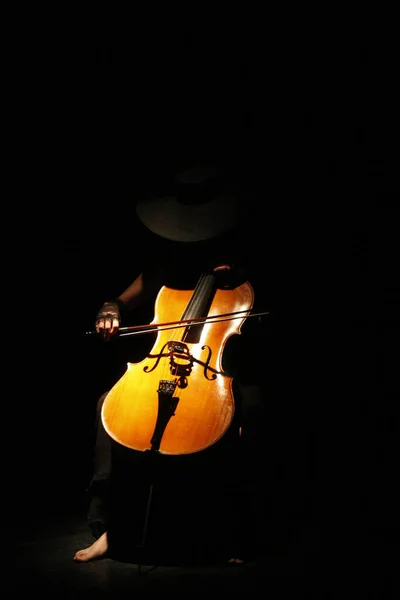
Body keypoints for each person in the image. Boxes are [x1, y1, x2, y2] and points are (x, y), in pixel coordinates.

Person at [74, 165, 270, 565]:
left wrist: (242, 274)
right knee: (107, 406)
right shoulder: (171, 249)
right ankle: (111, 525)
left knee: (251, 410)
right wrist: (111, 306)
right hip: (164, 361)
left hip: (223, 365)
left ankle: (238, 532)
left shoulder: (245, 245)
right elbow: (139, 289)